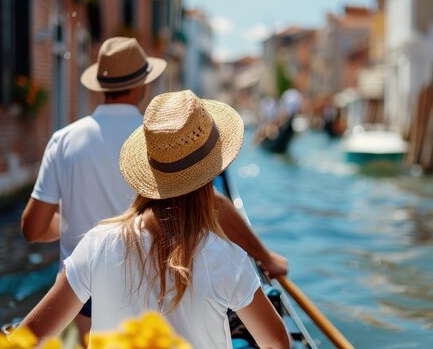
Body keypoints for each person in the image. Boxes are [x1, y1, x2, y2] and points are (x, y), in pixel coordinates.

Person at [21, 37, 288, 335]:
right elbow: (277, 342)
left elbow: (33, 230)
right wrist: (266, 258)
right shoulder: (227, 258)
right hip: (152, 281)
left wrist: (73, 219)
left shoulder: (65, 144)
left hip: (85, 294)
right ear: (142, 84)